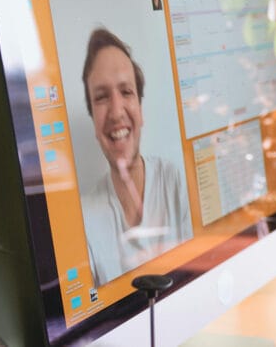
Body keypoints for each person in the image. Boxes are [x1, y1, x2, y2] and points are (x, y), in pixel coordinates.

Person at [79, 27, 192, 285]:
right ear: (94, 122)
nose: (116, 111)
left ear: (140, 110)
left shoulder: (175, 181)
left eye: (126, 92)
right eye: (102, 97)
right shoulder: (84, 219)